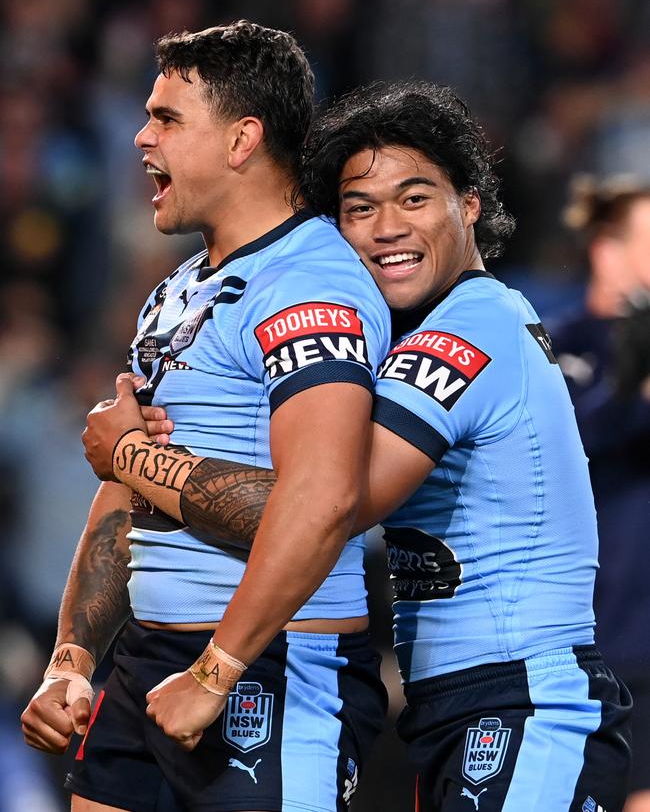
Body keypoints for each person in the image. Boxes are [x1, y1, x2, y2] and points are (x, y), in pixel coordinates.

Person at [93, 81, 633, 812]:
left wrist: (131, 456)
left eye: (415, 199)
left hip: (525, 699)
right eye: (358, 208)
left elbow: (335, 501)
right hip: (457, 708)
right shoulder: (424, 331)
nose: (385, 228)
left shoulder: (472, 325)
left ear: (469, 203)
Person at [21, 21, 392, 812]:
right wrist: (73, 656)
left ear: (241, 140)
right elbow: (128, 494)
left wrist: (216, 668)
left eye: (166, 118)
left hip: (273, 664)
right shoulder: (179, 288)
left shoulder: (310, 284)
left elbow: (321, 501)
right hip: (151, 659)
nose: (139, 135)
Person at [548, 175, 650, 812]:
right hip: (598, 636)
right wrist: (630, 384)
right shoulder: (562, 345)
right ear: (608, 251)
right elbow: (572, 440)